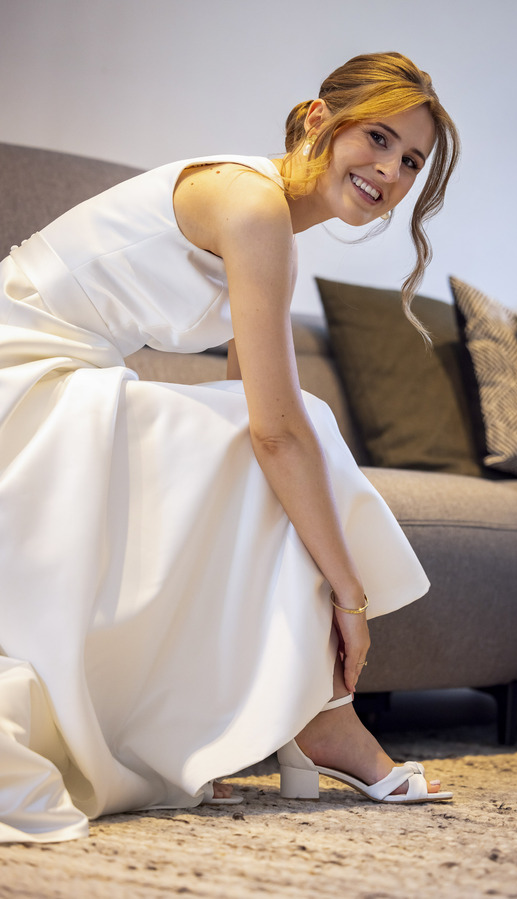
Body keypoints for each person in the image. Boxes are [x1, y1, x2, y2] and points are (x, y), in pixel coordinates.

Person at [0, 51, 459, 843]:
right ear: (319, 119)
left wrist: (325, 573)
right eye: (378, 138)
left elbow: (256, 420)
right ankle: (322, 719)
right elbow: (279, 431)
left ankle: (292, 714)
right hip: (20, 381)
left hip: (58, 379)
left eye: (411, 161)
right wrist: (349, 599)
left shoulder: (273, 227)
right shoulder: (251, 205)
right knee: (302, 427)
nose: (391, 171)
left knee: (264, 452)